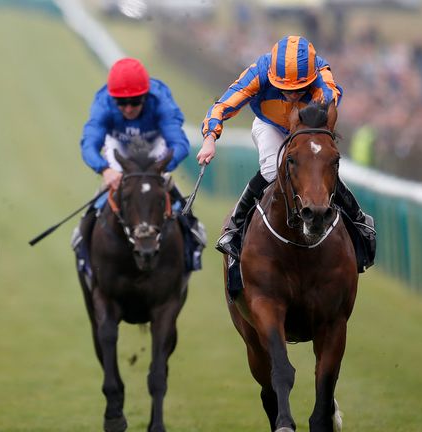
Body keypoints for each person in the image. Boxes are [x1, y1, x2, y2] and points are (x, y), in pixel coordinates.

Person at [196, 35, 376, 293]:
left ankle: (359, 222)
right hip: (269, 125)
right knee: (272, 169)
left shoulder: (322, 76)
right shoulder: (259, 71)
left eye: (298, 89)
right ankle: (235, 228)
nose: (291, 94)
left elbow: (329, 104)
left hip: (306, 125)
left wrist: (311, 136)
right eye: (285, 88)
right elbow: (224, 103)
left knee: (316, 169)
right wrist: (210, 138)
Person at [73, 57, 203, 272]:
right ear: (113, 100)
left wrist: (161, 168)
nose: (129, 108)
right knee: (101, 198)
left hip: (155, 146)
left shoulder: (161, 101)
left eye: (135, 101)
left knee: (170, 194)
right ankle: (83, 246)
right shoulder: (103, 104)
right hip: (119, 146)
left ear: (146, 95)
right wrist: (105, 169)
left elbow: (179, 144)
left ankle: (193, 242)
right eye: (122, 103)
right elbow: (89, 144)